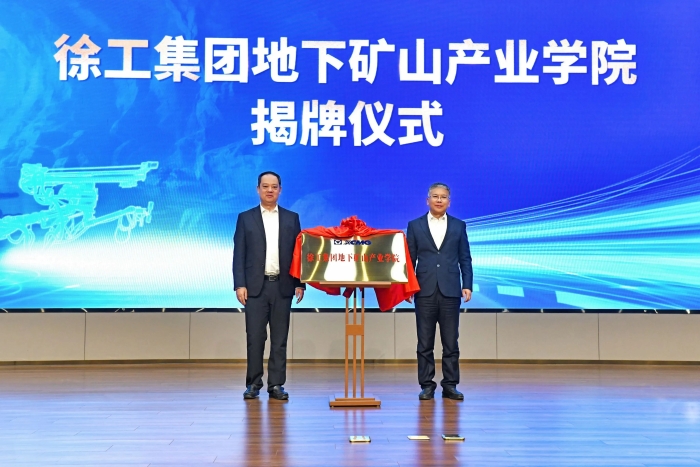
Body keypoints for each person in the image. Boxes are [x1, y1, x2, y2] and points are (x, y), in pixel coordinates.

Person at [232, 171, 304, 400]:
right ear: (258, 189)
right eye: (265, 186)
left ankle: (276, 385)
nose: (269, 190)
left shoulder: (292, 218)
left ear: (280, 190)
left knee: (279, 339)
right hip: (255, 288)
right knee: (255, 338)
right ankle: (253, 383)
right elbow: (239, 254)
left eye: (274, 186)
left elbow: (298, 254)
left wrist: (300, 283)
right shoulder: (246, 218)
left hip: (282, 286)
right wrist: (239, 284)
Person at [406, 182, 473, 401]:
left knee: (451, 342)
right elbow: (410, 260)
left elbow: (465, 258)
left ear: (449, 202)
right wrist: (407, 287)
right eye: (435, 196)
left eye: (443, 197)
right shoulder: (415, 226)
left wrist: (467, 284)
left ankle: (450, 385)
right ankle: (427, 385)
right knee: (424, 342)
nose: (439, 200)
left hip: (450, 290)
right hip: (424, 290)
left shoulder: (458, 226)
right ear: (427, 200)